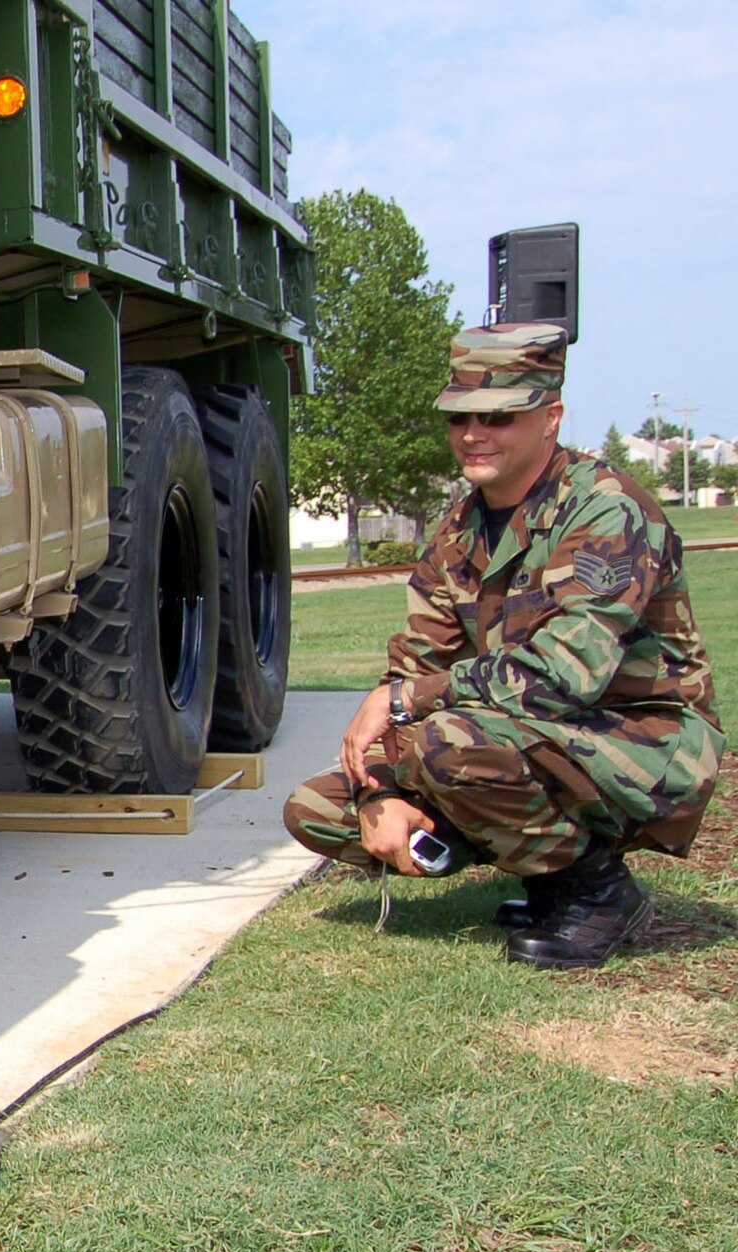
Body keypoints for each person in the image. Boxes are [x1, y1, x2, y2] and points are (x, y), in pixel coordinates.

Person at [283, 323, 723, 970]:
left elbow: (566, 675)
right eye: (459, 417)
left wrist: (405, 700)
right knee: (318, 809)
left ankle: (594, 892)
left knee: (447, 742)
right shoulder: (457, 533)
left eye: (498, 416)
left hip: (643, 740)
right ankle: (538, 866)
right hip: (530, 736)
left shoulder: (607, 512)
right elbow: (414, 666)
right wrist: (379, 792)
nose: (472, 433)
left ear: (551, 418)